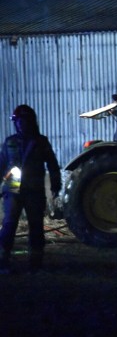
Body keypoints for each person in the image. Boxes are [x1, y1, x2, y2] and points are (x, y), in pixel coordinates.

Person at [0, 105, 61, 273]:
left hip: (34, 190)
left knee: (35, 226)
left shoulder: (41, 142)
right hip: (13, 189)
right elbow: (2, 165)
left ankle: (35, 263)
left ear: (31, 121)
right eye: (19, 121)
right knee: (9, 224)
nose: (21, 124)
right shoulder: (10, 142)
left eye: (24, 121)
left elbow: (53, 165)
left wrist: (56, 185)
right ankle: (3, 261)